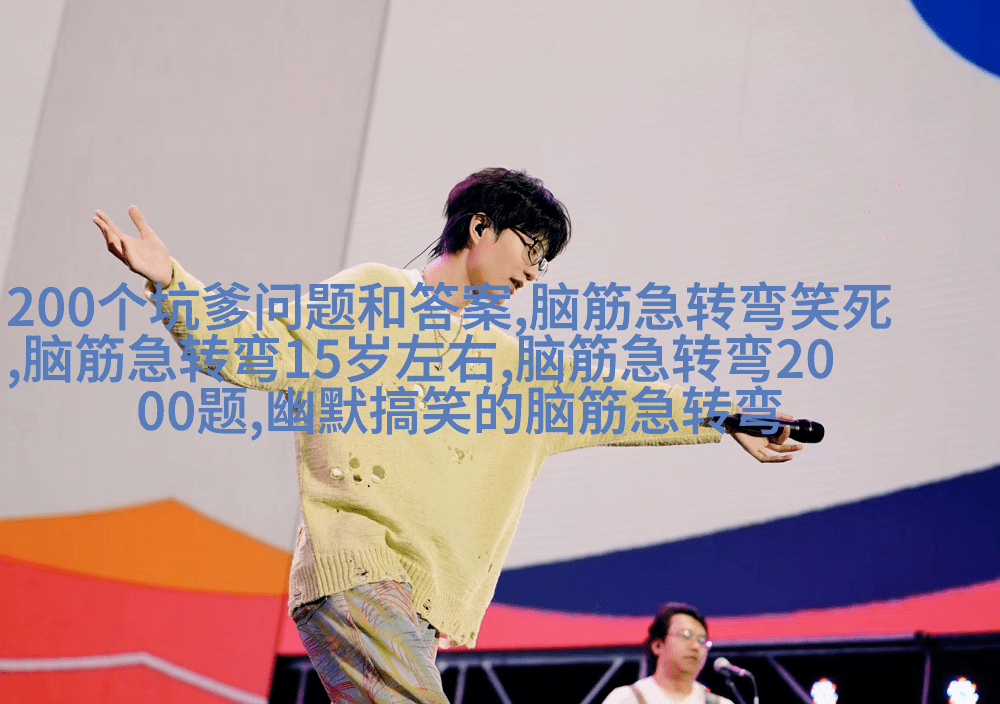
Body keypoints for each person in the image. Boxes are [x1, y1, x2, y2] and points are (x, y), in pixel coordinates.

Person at [93, 168, 802, 703]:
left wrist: (727, 417)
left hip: (419, 604)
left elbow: (615, 399)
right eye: (531, 248)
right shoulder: (372, 295)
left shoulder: (510, 367)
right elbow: (256, 347)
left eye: (546, 261)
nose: (535, 272)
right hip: (358, 569)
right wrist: (171, 282)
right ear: (480, 228)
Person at [602, 603, 734, 704]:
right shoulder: (627, 698)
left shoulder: (721, 703)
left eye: (701, 640)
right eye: (686, 635)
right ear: (658, 645)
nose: (695, 646)